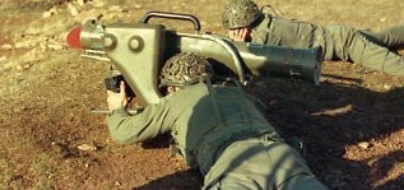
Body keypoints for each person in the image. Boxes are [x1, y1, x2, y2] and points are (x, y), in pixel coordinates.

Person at [106, 52, 328, 189]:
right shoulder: (239, 94)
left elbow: (125, 132)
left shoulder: (177, 99)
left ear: (173, 87)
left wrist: (117, 107)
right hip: (282, 154)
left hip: (234, 162)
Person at [222, 0, 404, 77]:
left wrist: (238, 45)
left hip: (346, 44)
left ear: (245, 27)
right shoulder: (265, 20)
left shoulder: (264, 36)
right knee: (385, 38)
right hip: (339, 33)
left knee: (395, 65)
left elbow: (249, 64)